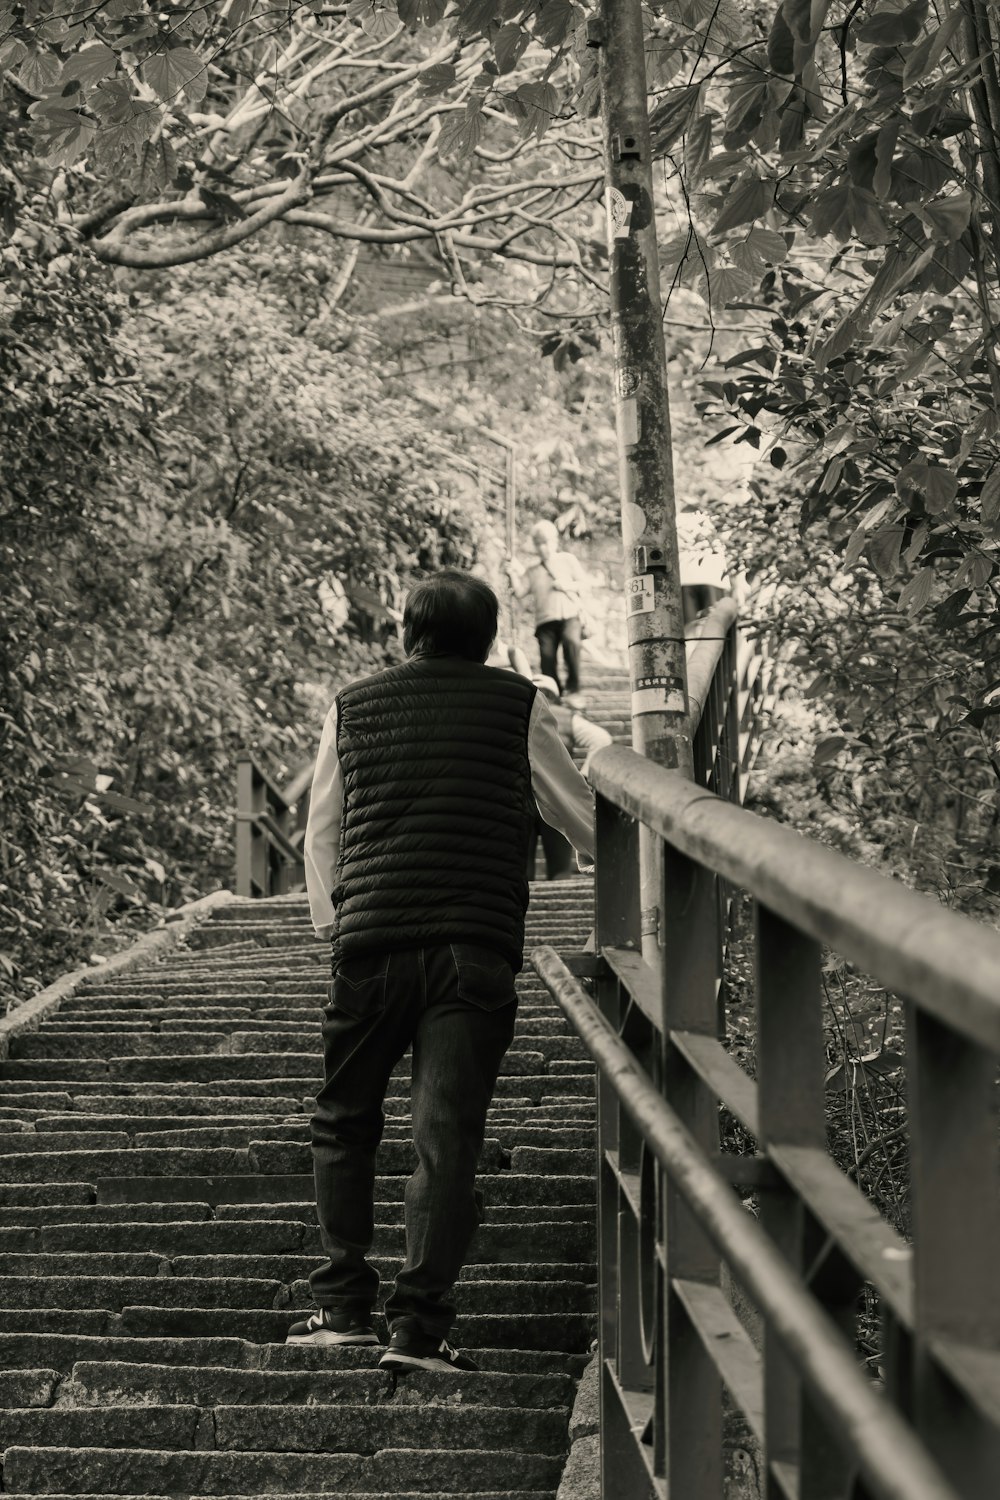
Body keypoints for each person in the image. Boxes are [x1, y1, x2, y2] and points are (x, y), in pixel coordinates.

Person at [292, 568, 595, 1374]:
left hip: (371, 946)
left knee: (343, 1121)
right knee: (446, 1137)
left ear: (406, 634)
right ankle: (419, 1332)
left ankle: (342, 1307)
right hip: (472, 949)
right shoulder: (518, 706)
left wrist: (335, 924)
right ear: (492, 638)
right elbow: (585, 822)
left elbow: (320, 835)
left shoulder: (351, 705)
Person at [527, 676, 612, 881]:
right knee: (560, 867)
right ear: (555, 695)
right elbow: (601, 739)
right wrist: (584, 774)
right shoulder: (566, 717)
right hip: (558, 794)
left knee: (522, 867)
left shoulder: (518, 712)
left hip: (523, 795)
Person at [505, 520, 590, 707]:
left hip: (570, 615)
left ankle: (574, 689)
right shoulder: (532, 570)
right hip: (544, 621)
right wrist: (512, 574)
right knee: (547, 657)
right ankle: (555, 694)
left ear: (555, 541)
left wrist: (567, 585)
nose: (543, 547)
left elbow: (585, 583)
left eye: (546, 542)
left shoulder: (567, 560)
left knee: (572, 642)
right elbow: (520, 592)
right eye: (539, 543)